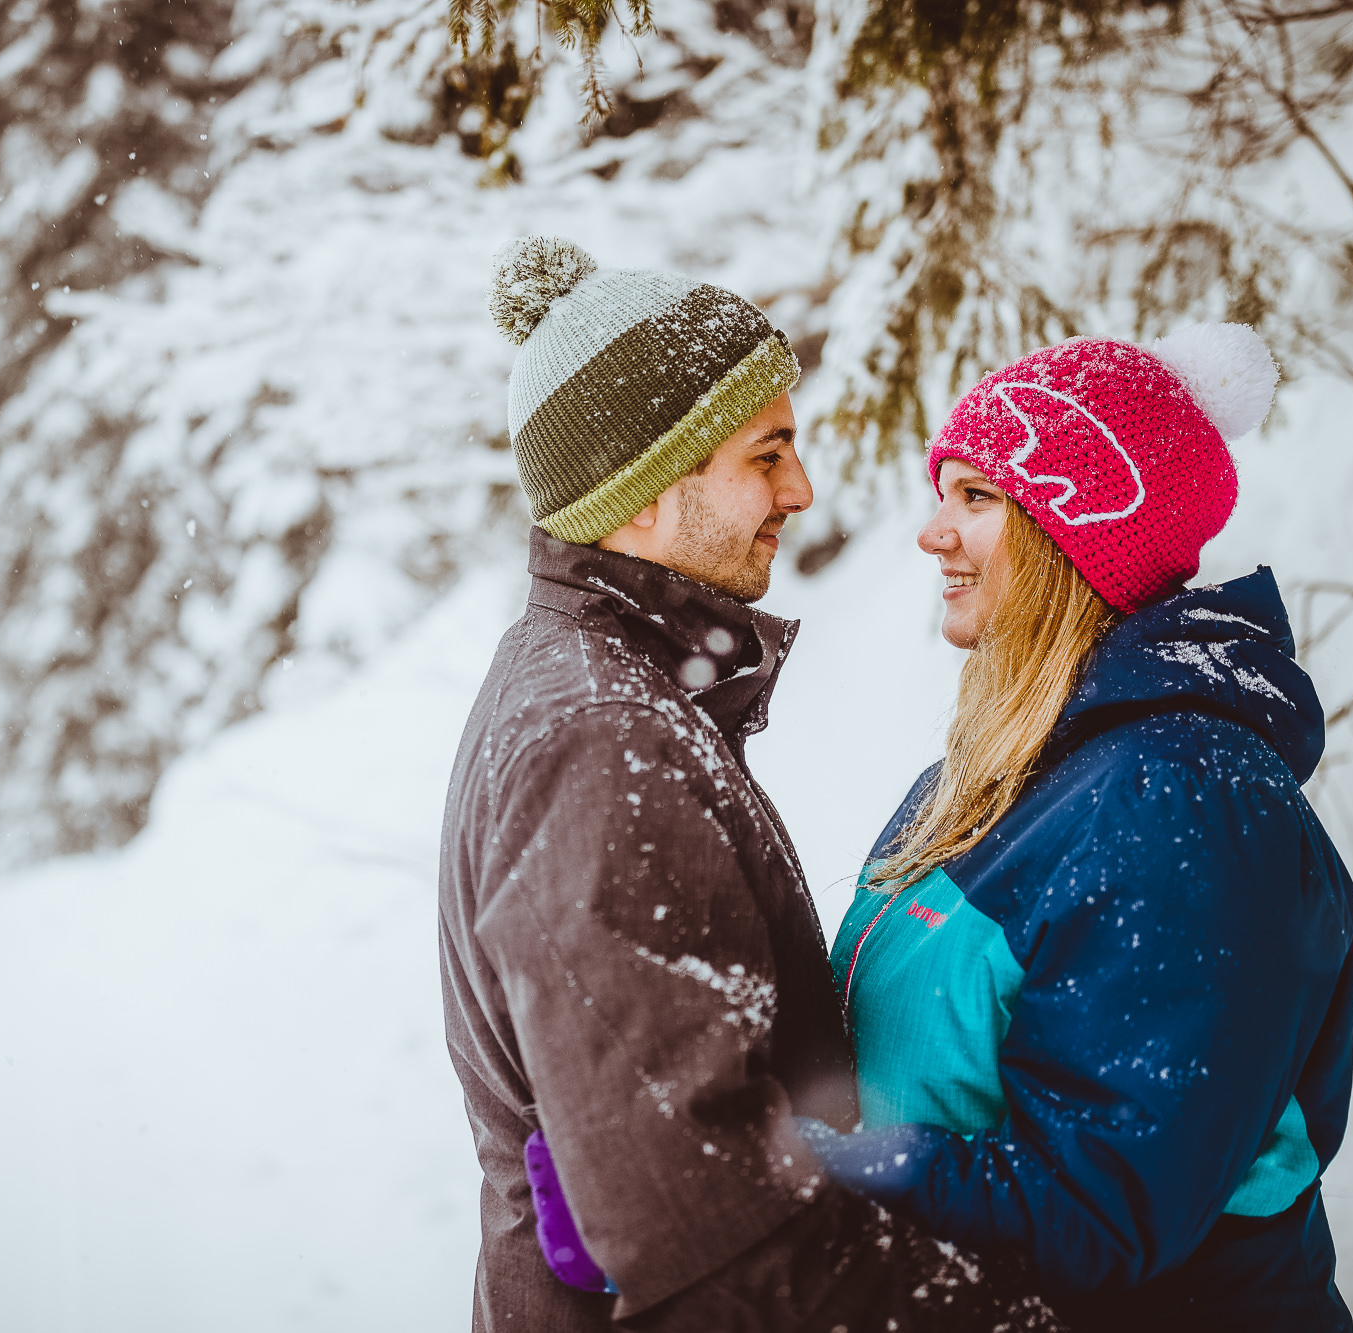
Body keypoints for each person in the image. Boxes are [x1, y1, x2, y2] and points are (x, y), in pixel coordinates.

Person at [437, 236, 1059, 1332]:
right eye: (765, 455)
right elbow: (703, 1216)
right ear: (640, 494)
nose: (801, 488)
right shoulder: (598, 737)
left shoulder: (594, 688)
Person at [802, 326, 1353, 1331]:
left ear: (1077, 533)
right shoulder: (987, 779)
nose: (932, 532)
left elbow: (1099, 1211)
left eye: (975, 498)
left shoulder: (1186, 796)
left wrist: (794, 1172)